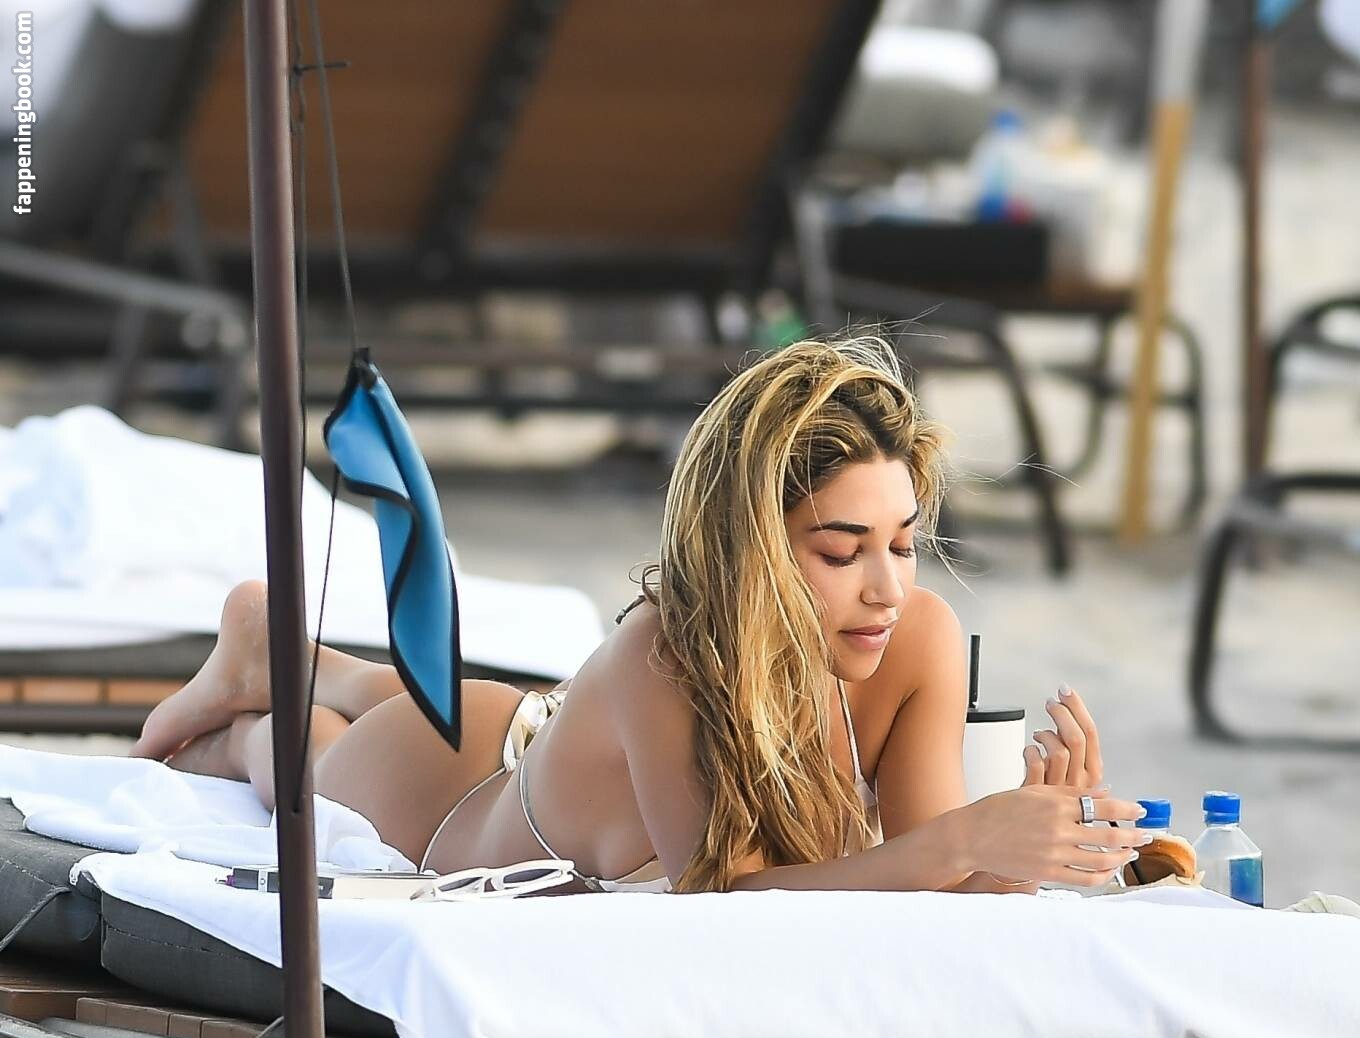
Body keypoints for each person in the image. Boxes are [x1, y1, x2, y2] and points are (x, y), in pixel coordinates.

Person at [130, 335, 1150, 894]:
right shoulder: (663, 652)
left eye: (902, 541)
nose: (886, 586)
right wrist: (964, 842)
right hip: (444, 793)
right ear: (751, 549)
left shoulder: (912, 638)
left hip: (567, 739)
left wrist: (1025, 847)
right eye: (840, 552)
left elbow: (926, 889)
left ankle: (294, 650)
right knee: (301, 763)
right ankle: (256, 703)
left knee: (437, 701)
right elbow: (724, 897)